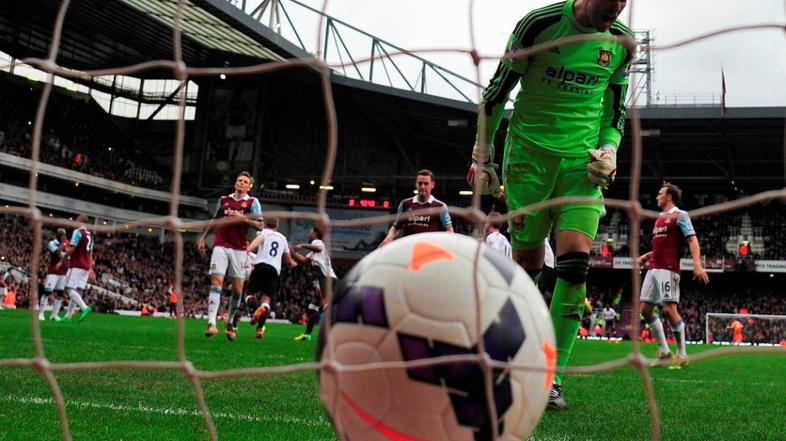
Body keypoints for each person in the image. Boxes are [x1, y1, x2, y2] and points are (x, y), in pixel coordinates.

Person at [467, 0, 633, 411]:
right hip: (528, 160)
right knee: (527, 269)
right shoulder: (539, 25)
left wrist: (609, 151)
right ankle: (509, 357)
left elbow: (616, 112)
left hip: (582, 165)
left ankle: (553, 378)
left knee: (575, 266)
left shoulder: (622, 43)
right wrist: (481, 155)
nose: (616, 6)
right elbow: (496, 93)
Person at [638, 183, 710, 368]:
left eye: (660, 193)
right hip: (654, 268)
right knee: (645, 310)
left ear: (669, 196)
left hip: (668, 269)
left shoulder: (681, 215)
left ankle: (682, 354)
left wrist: (697, 265)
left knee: (669, 310)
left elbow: (692, 239)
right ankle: (664, 352)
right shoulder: (659, 218)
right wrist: (647, 256)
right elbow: (662, 245)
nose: (656, 197)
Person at [197, 171, 262, 340]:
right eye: (239, 180)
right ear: (235, 183)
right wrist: (203, 238)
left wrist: (244, 218)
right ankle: (211, 323)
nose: (241, 183)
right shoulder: (224, 200)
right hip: (221, 246)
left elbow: (260, 226)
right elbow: (215, 220)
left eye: (245, 181)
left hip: (240, 249)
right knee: (216, 282)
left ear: (249, 186)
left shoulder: (252, 202)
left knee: (238, 290)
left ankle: (230, 321)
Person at [245, 217, 298, 338]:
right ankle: (259, 329)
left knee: (249, 294)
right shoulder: (283, 238)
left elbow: (256, 242)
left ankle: (257, 308)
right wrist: (293, 263)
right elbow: (288, 260)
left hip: (260, 266)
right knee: (266, 300)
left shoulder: (263, 233)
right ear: (277, 226)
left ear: (266, 224)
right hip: (274, 270)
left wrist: (247, 250)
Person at [379, 169, 453, 247]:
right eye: (420, 183)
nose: (422, 186)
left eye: (426, 183)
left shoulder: (440, 206)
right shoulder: (405, 204)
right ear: (416, 184)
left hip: (430, 252)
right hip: (408, 250)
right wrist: (388, 238)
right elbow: (396, 227)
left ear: (432, 185)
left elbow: (449, 230)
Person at [292, 227, 337, 341]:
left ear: (315, 234)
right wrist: (292, 252)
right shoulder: (313, 253)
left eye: (310, 232)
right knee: (313, 307)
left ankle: (335, 333)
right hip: (325, 277)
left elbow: (318, 248)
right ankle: (307, 334)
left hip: (325, 277)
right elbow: (303, 261)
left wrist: (301, 245)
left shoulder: (317, 243)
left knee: (326, 305)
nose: (308, 234)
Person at [61, 214, 95, 322]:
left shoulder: (78, 232)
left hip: (76, 264)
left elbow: (72, 249)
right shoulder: (90, 234)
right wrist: (90, 268)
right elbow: (90, 253)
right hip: (85, 266)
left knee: (68, 289)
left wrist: (64, 257)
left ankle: (84, 307)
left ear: (79, 221)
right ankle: (68, 316)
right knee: (77, 290)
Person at [39, 228, 69, 321]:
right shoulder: (52, 243)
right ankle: (41, 313)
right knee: (47, 292)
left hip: (63, 272)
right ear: (57, 235)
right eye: (61, 235)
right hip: (53, 271)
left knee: (60, 293)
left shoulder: (67, 245)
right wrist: (63, 244)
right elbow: (56, 253)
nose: (63, 236)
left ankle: (54, 314)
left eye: (64, 234)